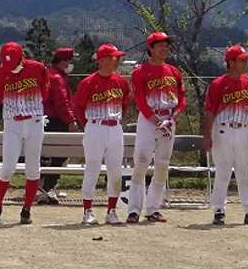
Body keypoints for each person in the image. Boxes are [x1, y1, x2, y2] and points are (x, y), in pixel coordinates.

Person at [0, 41, 49, 225]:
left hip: (34, 122)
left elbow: (45, 91)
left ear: (22, 57)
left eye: (13, 64)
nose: (11, 68)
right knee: (7, 167)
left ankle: (26, 209)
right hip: (12, 123)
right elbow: (1, 95)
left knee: (33, 168)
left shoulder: (38, 68)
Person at [127, 32, 186, 223]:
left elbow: (182, 98)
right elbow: (140, 100)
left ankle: (153, 208)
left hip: (168, 119)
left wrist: (173, 117)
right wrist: (156, 120)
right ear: (150, 48)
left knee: (162, 164)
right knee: (141, 161)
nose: (164, 49)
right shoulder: (140, 72)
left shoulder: (174, 71)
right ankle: (134, 209)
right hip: (148, 119)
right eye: (160, 45)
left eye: (166, 46)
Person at [203, 45, 248, 226]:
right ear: (230, 62)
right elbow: (209, 112)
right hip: (223, 129)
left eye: (246, 59)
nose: (246, 62)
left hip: (243, 130)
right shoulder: (217, 84)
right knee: (223, 172)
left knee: (244, 173)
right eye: (242, 59)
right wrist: (207, 135)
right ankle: (219, 210)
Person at [73, 43, 131, 225]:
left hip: (115, 127)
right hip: (95, 126)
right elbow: (78, 107)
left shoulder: (121, 82)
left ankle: (111, 211)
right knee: (92, 168)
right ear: (103, 60)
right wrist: (88, 126)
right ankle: (87, 211)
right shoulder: (88, 82)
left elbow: (125, 104)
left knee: (115, 170)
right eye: (114, 57)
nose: (117, 60)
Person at [38, 47, 78, 204]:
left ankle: (42, 187)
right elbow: (62, 103)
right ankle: (48, 187)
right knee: (60, 155)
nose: (70, 64)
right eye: (69, 61)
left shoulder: (48, 74)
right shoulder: (57, 78)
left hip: (44, 120)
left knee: (44, 155)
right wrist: (71, 120)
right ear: (63, 61)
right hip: (57, 121)